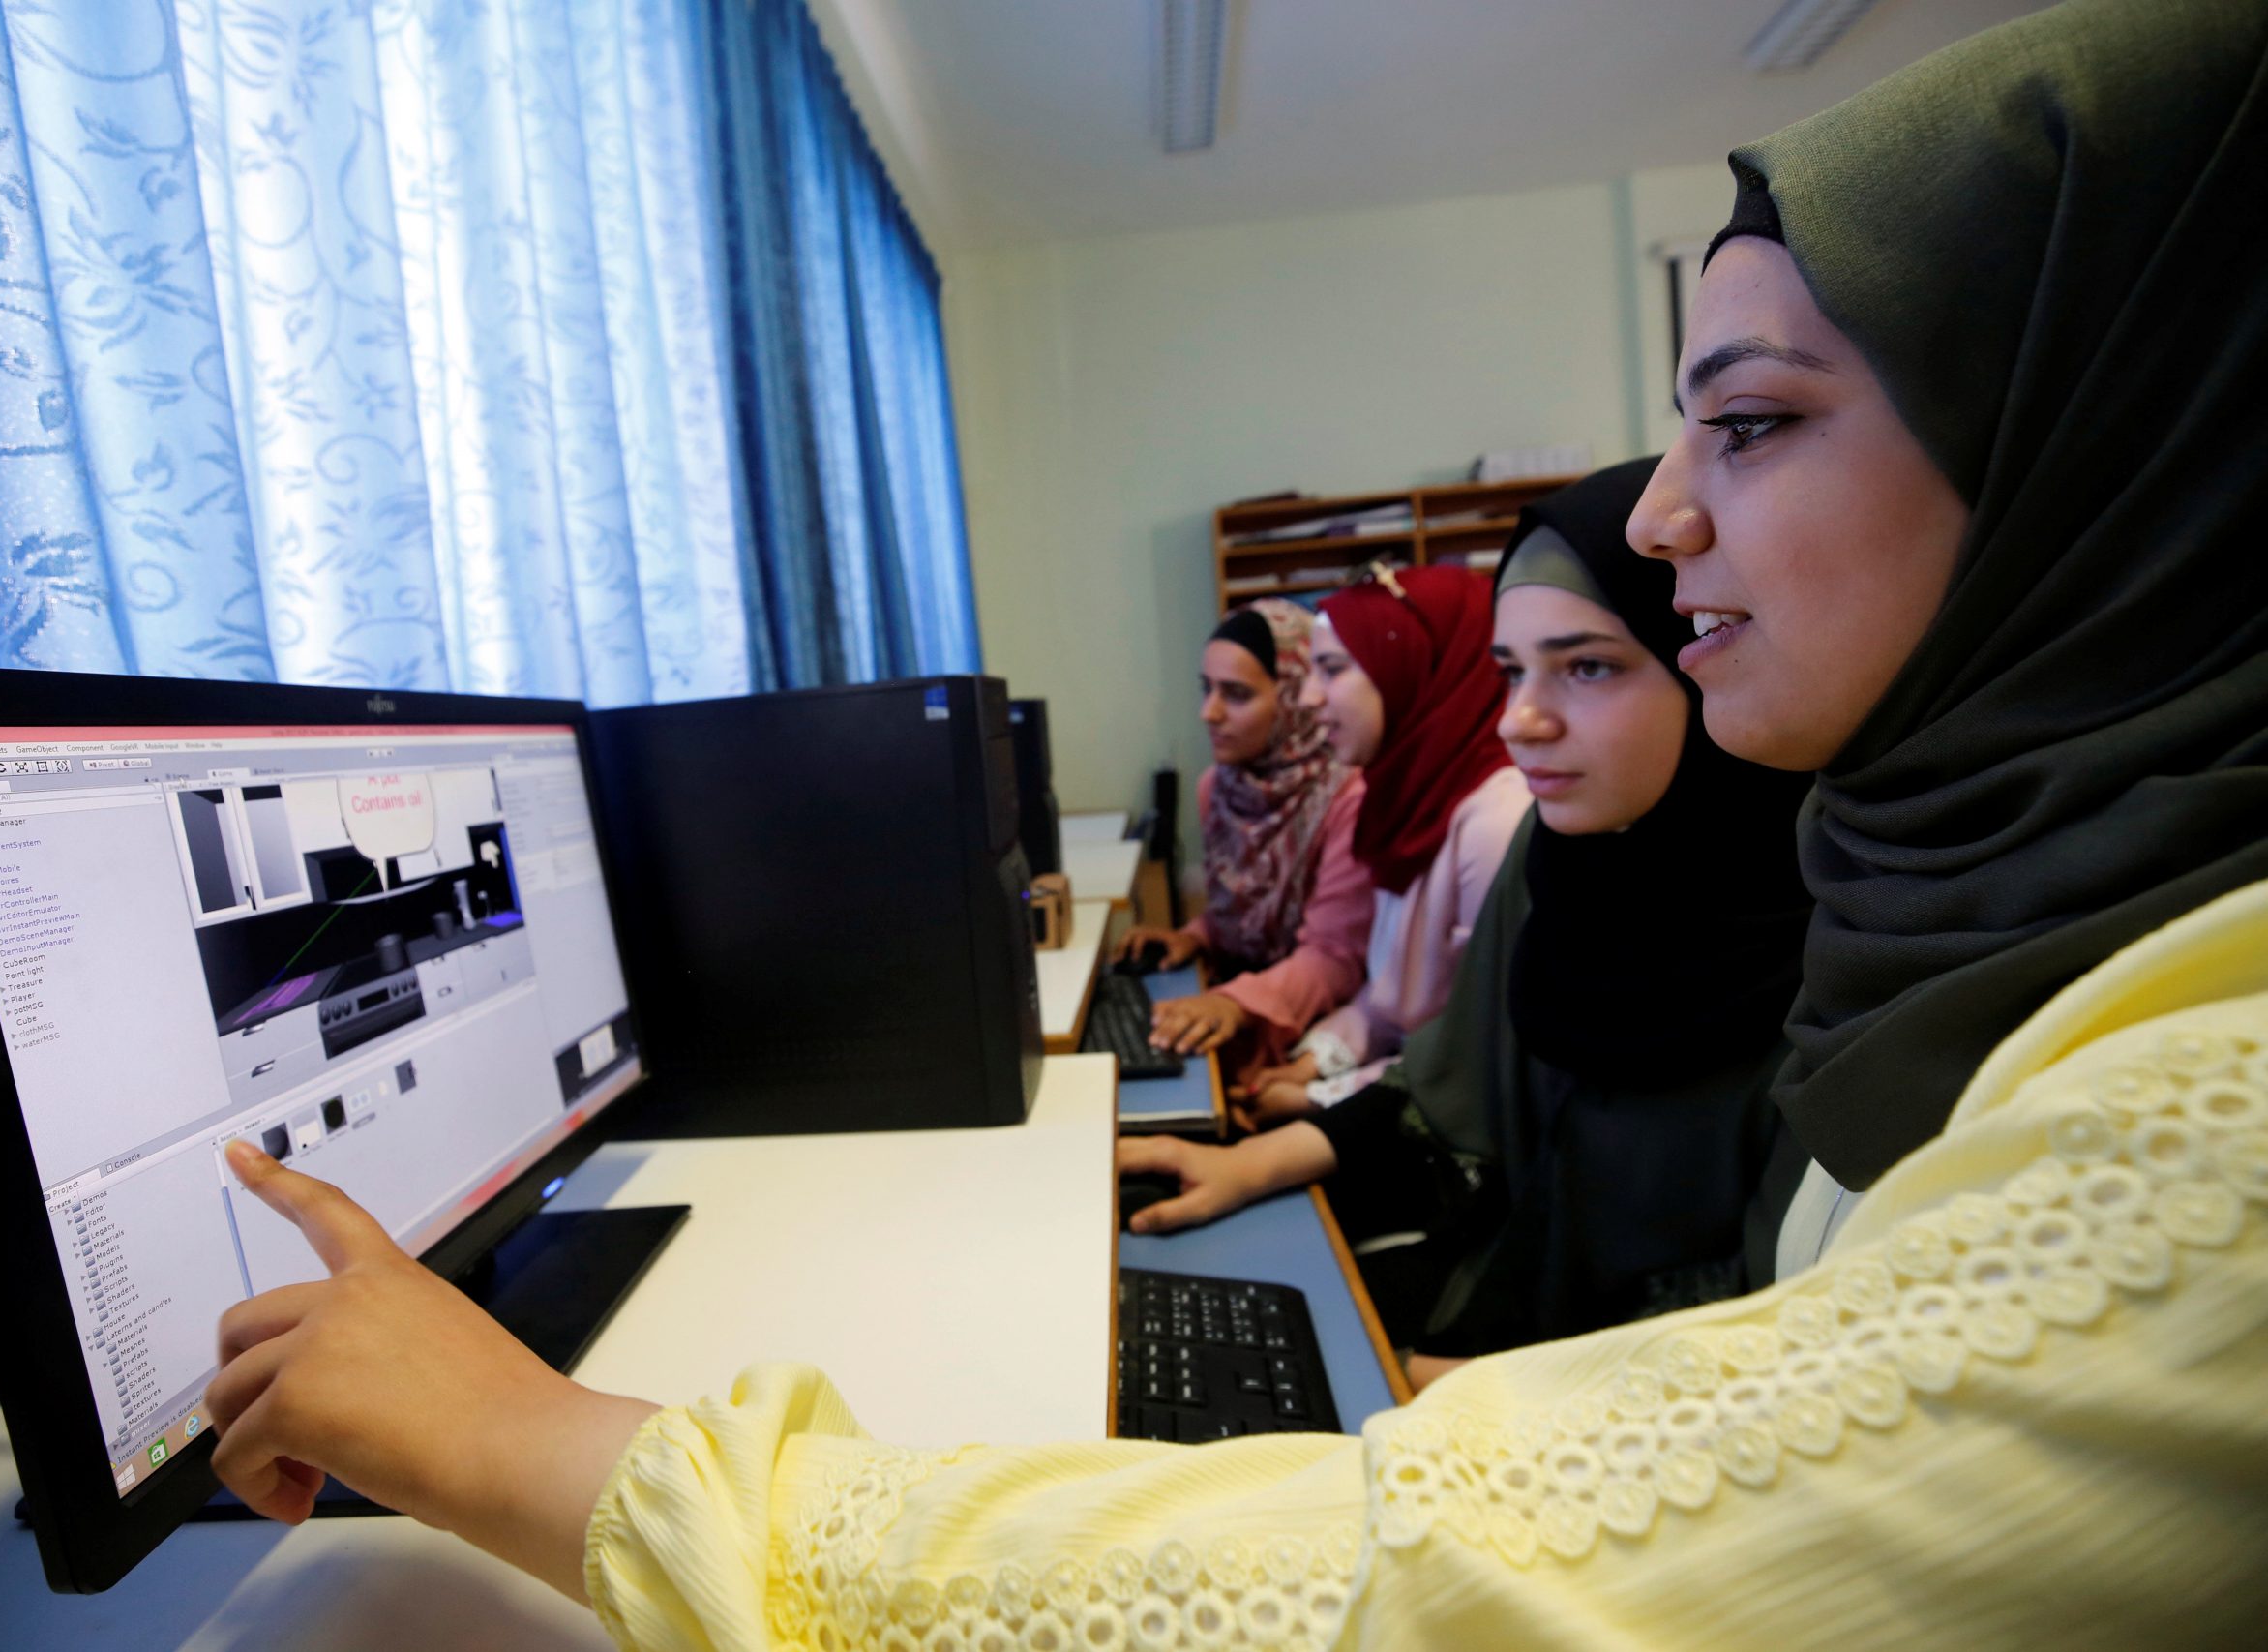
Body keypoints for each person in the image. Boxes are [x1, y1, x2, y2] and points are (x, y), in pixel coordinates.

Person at [203, 2, 2268, 1643]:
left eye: (1747, 421)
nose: (1661, 514)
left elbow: (1435, 1579)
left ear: (2124, 459)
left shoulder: (2206, 1143)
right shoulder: (1926, 893)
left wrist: (534, 1445)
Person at [1127, 460, 1815, 1376]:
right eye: (1510, 672)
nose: (1518, 721)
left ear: (1708, 659)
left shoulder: (1836, 935)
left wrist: (1493, 1390)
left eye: (1589, 666)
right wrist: (1245, 1165)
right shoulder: (1561, 856)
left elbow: (1771, 1332)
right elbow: (1453, 1076)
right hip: (1505, 1289)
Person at [1229, 564, 1530, 1132]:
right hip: (1397, 1096)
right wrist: (1311, 1064)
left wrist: (1320, 1098)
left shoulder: (1495, 822)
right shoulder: (1407, 794)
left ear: (1410, 667)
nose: (1309, 697)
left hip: (1442, 1124)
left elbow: (1474, 1057)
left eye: (1332, 669)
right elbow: (1391, 1002)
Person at [1114, 601, 1375, 1068]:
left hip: (1317, 1034)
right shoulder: (1219, 787)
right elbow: (1240, 916)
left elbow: (1333, 960)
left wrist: (1232, 1003)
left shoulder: (1349, 799)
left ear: (1295, 696)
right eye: (1206, 689)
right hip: (1247, 1004)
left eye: (1236, 694)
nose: (1208, 713)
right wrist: (1195, 936)